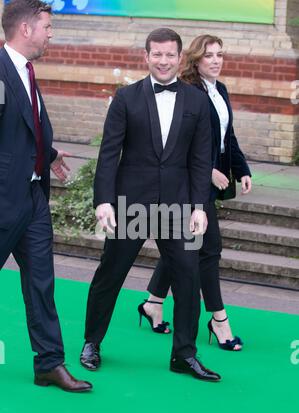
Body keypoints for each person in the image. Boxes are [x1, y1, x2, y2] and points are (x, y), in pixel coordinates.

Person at [80, 28, 221, 382]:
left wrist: (200, 206)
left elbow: (201, 159)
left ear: (179, 58)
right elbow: (109, 154)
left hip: (178, 208)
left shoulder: (196, 101)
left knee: (188, 279)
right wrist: (104, 202)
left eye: (170, 54)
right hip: (132, 205)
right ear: (146, 56)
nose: (163, 61)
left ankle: (184, 355)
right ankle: (91, 343)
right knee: (110, 275)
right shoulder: (126, 98)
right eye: (156, 54)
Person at [0, 0, 92, 392]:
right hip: (4, 199)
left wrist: (48, 154)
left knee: (41, 283)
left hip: (34, 198)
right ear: (26, 30)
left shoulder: (26, 71)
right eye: (48, 27)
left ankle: (49, 364)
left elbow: (19, 128)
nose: (51, 33)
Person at [141, 34, 252, 350]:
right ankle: (219, 321)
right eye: (209, 56)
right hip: (189, 184)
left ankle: (152, 302)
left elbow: (227, 137)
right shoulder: (187, 93)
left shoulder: (220, 90)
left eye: (220, 54)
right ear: (195, 60)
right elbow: (179, 144)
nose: (216, 60)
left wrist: (241, 169)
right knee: (208, 249)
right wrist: (210, 172)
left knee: (184, 244)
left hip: (210, 182)